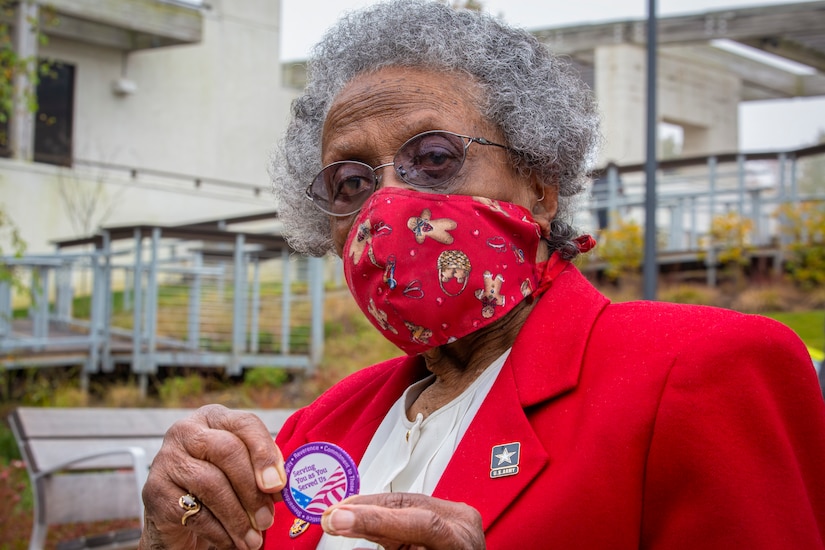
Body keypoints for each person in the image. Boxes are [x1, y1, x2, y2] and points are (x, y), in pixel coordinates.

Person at [138, 2, 825, 549]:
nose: (386, 205)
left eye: (432, 158)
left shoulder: (702, 369)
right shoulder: (322, 424)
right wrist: (171, 545)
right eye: (350, 182)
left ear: (540, 182)